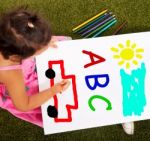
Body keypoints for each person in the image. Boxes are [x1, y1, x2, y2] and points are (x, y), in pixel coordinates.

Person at [0, 7, 71, 127]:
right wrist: (53, 90)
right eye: (39, 50)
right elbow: (24, 105)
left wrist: (44, 43)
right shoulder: (12, 75)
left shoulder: (10, 40)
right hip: (20, 85)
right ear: (21, 57)